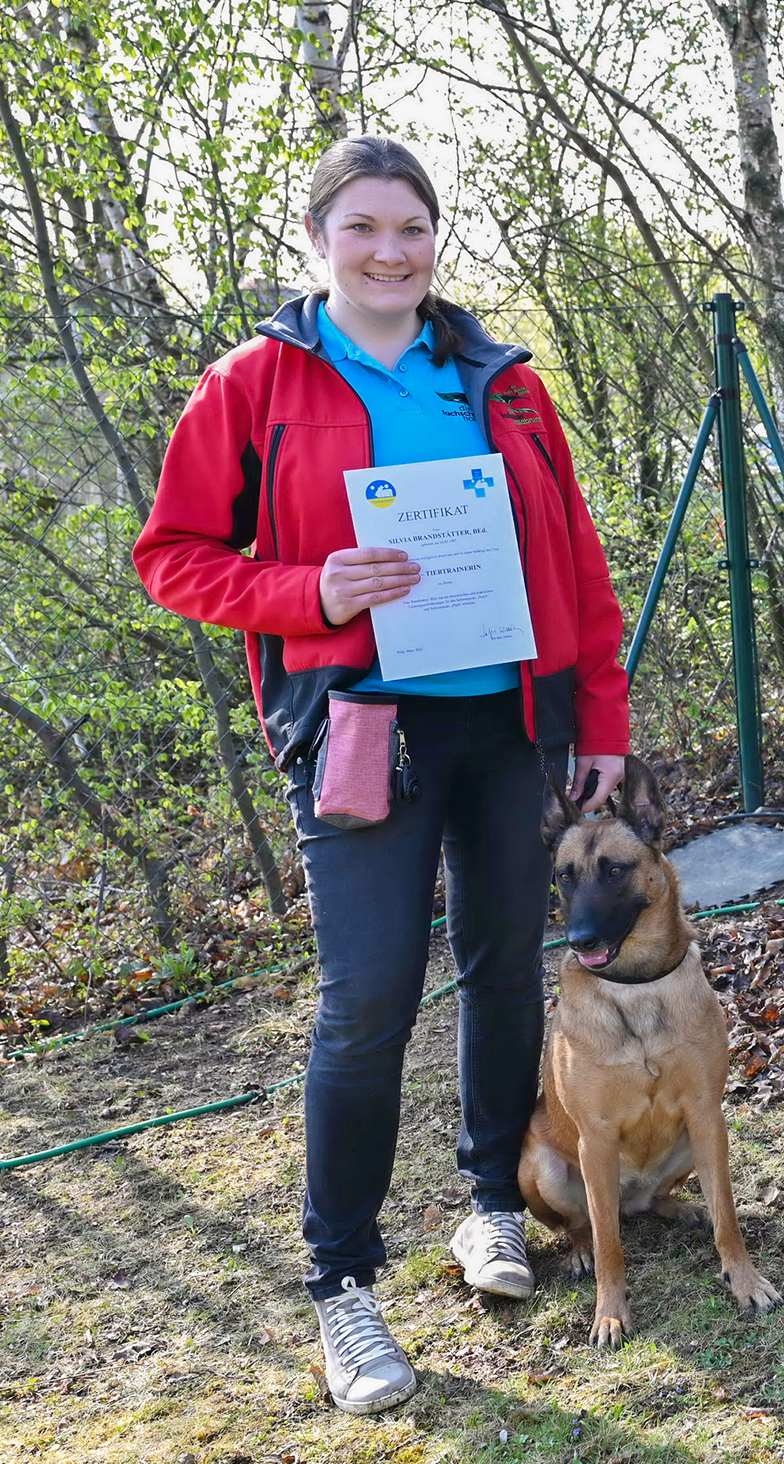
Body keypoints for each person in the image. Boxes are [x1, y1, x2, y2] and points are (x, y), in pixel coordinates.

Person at [134, 136, 631, 1411]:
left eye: (411, 226)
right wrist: (308, 588)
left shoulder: (503, 382)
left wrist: (601, 716)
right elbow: (174, 554)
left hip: (509, 727)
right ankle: (342, 1286)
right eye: (363, 227)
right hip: (362, 729)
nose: (391, 250)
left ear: (435, 239)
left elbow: (573, 561)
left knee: (508, 967)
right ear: (320, 240)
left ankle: (489, 1208)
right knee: (367, 998)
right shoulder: (255, 382)